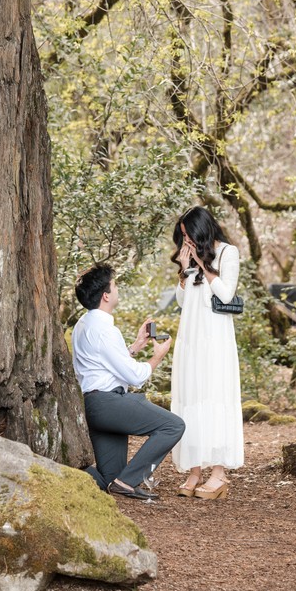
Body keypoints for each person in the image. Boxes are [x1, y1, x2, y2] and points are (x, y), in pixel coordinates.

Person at [72, 263, 185, 501]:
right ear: (105, 295)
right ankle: (129, 481)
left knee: (108, 478)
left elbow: (104, 362)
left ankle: (76, 476)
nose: (117, 289)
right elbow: (135, 376)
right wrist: (158, 356)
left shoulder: (83, 324)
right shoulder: (105, 330)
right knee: (173, 426)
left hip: (93, 405)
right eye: (114, 285)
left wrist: (135, 346)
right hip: (109, 403)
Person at [170, 207, 244, 499]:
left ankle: (218, 473)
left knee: (215, 396)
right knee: (192, 397)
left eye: (189, 235)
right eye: (183, 236)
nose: (186, 240)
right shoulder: (190, 257)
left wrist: (203, 264)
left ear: (203, 231)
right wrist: (183, 270)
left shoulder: (228, 253)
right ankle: (195, 470)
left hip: (215, 339)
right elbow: (181, 300)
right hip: (190, 337)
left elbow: (226, 294)